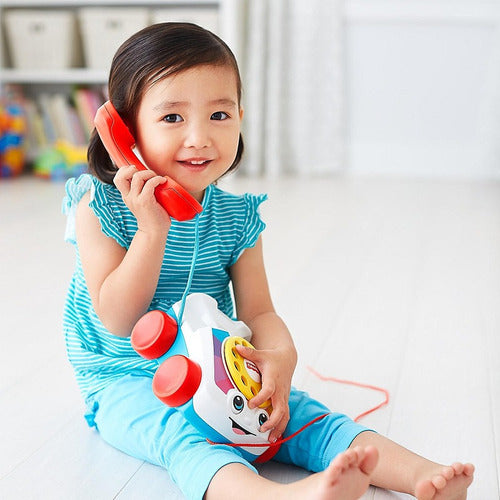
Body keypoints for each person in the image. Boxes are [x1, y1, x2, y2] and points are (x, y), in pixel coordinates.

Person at [62, 22, 474, 500]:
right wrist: (153, 229)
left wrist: (281, 358)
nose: (199, 138)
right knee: (181, 437)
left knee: (301, 414)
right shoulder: (99, 205)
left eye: (219, 115)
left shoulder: (236, 218)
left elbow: (258, 313)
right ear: (124, 131)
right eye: (172, 118)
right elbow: (116, 318)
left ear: (240, 116)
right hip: (123, 379)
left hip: (213, 362)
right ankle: (279, 496)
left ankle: (422, 475)